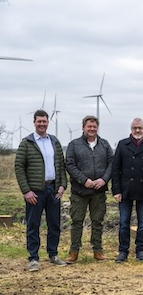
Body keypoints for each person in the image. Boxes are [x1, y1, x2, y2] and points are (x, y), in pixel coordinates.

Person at [15, 110, 68, 271]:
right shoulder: (27, 143)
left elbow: (61, 165)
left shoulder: (54, 141)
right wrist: (26, 191)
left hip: (53, 189)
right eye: (39, 121)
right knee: (33, 224)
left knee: (54, 224)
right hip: (35, 192)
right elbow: (19, 167)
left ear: (48, 122)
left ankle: (53, 254)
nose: (42, 124)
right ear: (34, 122)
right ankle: (33, 258)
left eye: (44, 121)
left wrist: (62, 185)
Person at [65, 115, 113, 263]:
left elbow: (112, 164)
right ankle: (74, 251)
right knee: (77, 221)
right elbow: (69, 164)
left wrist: (104, 179)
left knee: (97, 221)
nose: (92, 129)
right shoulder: (74, 145)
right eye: (89, 126)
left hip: (98, 191)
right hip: (79, 192)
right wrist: (83, 180)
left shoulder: (105, 145)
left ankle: (98, 250)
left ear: (97, 128)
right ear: (83, 127)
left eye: (94, 127)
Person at [112, 118, 143, 262]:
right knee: (124, 222)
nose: (137, 131)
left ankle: (141, 250)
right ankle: (123, 250)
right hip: (126, 190)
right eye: (134, 128)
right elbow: (115, 169)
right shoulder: (122, 144)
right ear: (131, 129)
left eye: (140, 128)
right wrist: (116, 190)